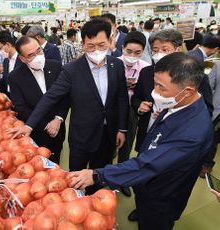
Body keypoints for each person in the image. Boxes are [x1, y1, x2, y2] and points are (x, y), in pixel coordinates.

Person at [67, 53, 214, 230]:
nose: (155, 93)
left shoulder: (192, 133)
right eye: (155, 84)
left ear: (188, 91)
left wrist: (97, 175)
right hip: (147, 185)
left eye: (161, 87)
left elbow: (149, 165)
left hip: (162, 197)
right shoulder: (179, 104)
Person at [7, 18, 129, 195]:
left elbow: (121, 98)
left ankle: (94, 199)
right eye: (90, 46)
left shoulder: (116, 65)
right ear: (83, 44)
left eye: (101, 45)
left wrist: (122, 129)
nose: (96, 51)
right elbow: (51, 96)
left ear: (111, 42)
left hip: (108, 134)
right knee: (75, 179)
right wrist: (29, 125)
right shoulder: (72, 70)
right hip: (82, 136)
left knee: (99, 173)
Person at [129, 29, 214, 222]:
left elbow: (206, 111)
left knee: (160, 184)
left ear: (177, 49)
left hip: (172, 146)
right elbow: (138, 97)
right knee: (144, 178)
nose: (158, 53)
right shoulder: (148, 72)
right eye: (155, 49)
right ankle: (141, 207)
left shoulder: (193, 76)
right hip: (149, 133)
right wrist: (140, 106)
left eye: (164, 49)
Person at [8, 36, 69, 164]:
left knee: (56, 160)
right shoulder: (15, 77)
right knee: (39, 165)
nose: (38, 56)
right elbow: (21, 108)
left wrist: (58, 119)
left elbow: (65, 96)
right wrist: (46, 125)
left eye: (39, 51)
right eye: (31, 55)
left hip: (58, 127)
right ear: (22, 59)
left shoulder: (56, 66)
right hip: (36, 131)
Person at [117, 31, 150, 197]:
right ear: (122, 48)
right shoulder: (113, 63)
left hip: (132, 111)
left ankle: (122, 178)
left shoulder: (145, 68)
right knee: (108, 142)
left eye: (137, 53)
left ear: (143, 52)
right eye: (128, 51)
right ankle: (104, 174)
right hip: (113, 108)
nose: (132, 56)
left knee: (127, 144)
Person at [201, 62, 220, 176]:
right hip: (217, 111)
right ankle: (206, 164)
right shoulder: (218, 66)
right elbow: (208, 86)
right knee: (213, 137)